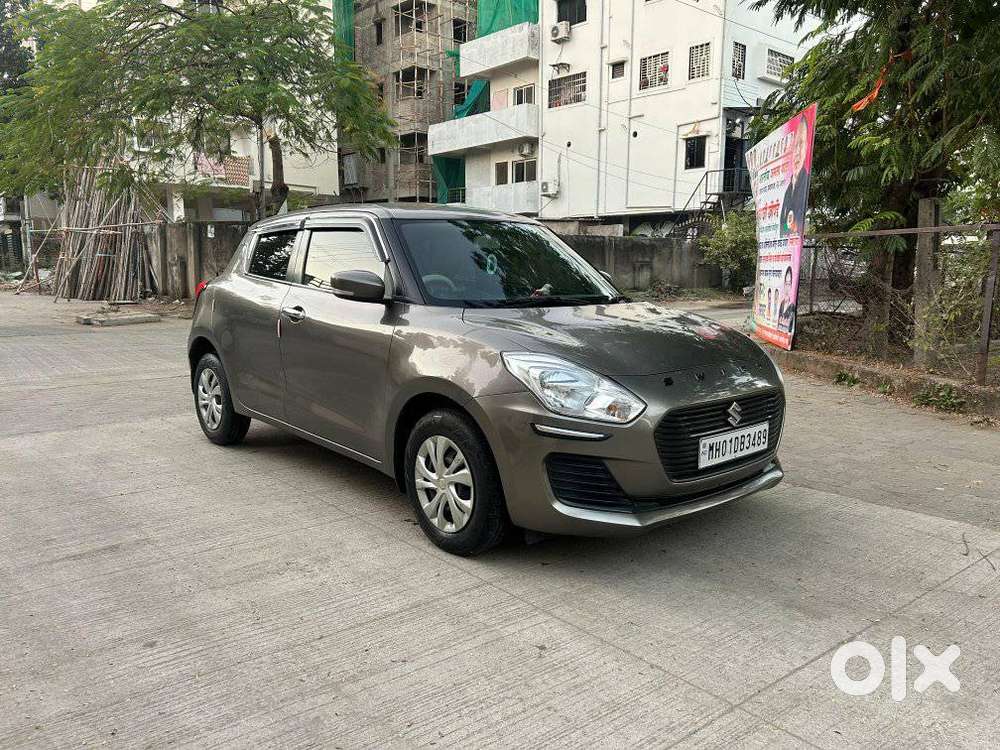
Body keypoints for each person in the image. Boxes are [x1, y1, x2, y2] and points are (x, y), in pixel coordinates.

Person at [779, 117, 810, 238]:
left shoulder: (805, 183)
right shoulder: (787, 190)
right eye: (795, 145)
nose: (797, 152)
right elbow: (783, 227)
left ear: (807, 146)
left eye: (801, 144)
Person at [777, 266, 796, 332]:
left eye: (789, 284)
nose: (787, 287)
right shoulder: (781, 304)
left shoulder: (792, 306)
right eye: (786, 284)